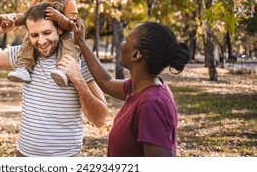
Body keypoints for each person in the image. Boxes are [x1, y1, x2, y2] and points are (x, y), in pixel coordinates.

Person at [0, 3, 107, 157]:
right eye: (34, 35)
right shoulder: (25, 55)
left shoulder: (78, 59)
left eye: (47, 32)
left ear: (59, 29)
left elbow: (100, 120)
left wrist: (78, 80)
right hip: (24, 155)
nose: (41, 41)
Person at [65, 19, 190, 157]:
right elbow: (106, 82)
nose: (121, 43)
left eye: (125, 39)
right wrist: (81, 43)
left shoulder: (152, 104)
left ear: (136, 55)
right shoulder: (138, 87)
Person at [6, 0, 79, 87]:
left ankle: (63, 70)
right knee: (29, 38)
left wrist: (59, 17)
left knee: (69, 43)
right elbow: (26, 16)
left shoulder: (69, 2)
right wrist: (13, 19)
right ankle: (24, 67)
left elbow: (71, 25)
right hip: (42, 33)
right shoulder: (38, 0)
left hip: (63, 33)